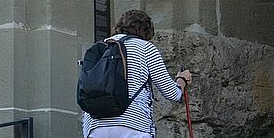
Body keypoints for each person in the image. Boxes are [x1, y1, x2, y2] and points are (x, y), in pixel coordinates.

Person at [83, 10, 193, 138]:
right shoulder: (145, 48)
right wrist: (182, 80)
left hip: (94, 126)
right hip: (133, 125)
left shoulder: (100, 47)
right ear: (146, 30)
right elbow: (172, 93)